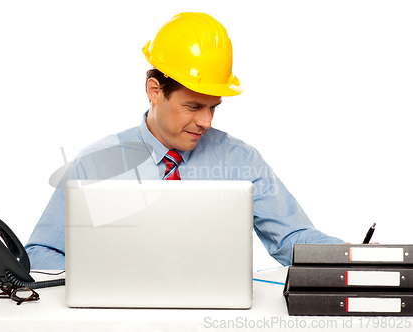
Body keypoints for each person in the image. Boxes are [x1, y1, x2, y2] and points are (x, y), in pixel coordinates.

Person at [25, 12, 343, 270]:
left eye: (213, 108)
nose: (205, 121)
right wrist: (97, 280)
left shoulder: (240, 160)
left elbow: (292, 238)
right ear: (155, 91)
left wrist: (353, 257)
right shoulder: (97, 161)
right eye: (193, 106)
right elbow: (41, 252)